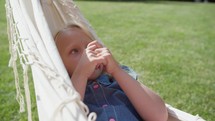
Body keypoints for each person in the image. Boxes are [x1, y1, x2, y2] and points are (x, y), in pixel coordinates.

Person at [54, 24, 168, 121]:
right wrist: (81, 73)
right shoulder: (66, 91)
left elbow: (159, 116)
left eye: (90, 46)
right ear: (60, 63)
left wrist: (116, 70)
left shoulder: (119, 79)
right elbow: (66, 116)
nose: (88, 54)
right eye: (74, 51)